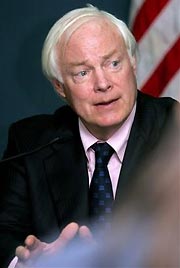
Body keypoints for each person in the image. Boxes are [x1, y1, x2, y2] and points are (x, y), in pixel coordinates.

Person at [0, 5, 177, 268]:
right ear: (60, 87)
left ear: (134, 62)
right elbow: (4, 230)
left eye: (113, 63)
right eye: (83, 72)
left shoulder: (174, 131)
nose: (103, 83)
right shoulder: (31, 142)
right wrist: (26, 261)